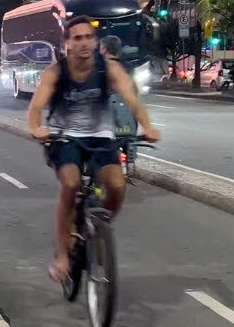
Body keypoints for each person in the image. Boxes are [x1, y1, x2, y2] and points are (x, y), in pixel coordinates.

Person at [28, 17, 160, 282]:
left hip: (100, 137)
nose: (84, 43)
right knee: (70, 183)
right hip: (65, 137)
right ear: (67, 44)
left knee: (117, 186)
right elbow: (36, 107)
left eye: (89, 37)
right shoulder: (56, 73)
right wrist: (36, 128)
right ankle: (62, 256)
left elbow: (132, 100)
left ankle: (100, 226)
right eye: (77, 38)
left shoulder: (108, 68)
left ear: (96, 41)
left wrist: (147, 126)